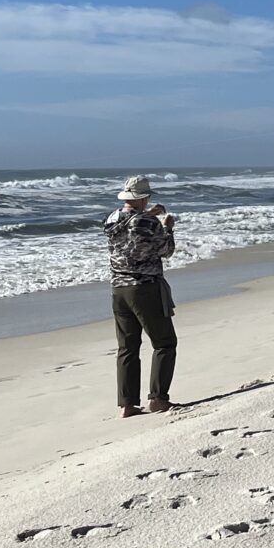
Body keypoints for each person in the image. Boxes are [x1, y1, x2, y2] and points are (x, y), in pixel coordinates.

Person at [104, 175, 177, 418]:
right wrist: (167, 226)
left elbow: (132, 228)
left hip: (118, 289)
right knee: (164, 342)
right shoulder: (148, 221)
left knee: (127, 347)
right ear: (144, 198)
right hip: (144, 287)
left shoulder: (111, 219)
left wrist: (150, 215)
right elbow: (165, 250)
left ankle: (127, 404)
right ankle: (158, 398)